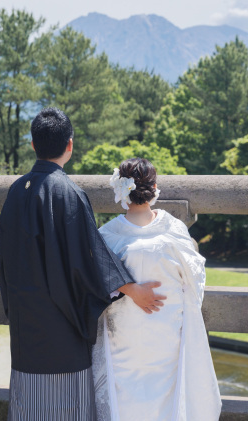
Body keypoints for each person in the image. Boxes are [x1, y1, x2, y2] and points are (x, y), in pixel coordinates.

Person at [0, 108, 166, 421]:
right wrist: (131, 288)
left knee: (28, 408)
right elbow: (88, 257)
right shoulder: (69, 194)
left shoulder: (16, 191)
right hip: (61, 326)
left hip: (24, 325)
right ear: (70, 146)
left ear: (33, 145)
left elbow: (3, 259)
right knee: (65, 408)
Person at [93, 158, 222, 421]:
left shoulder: (107, 236)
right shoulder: (173, 230)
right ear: (154, 187)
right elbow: (194, 283)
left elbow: (93, 285)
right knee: (167, 395)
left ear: (120, 190)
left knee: (123, 395)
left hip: (123, 335)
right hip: (166, 331)